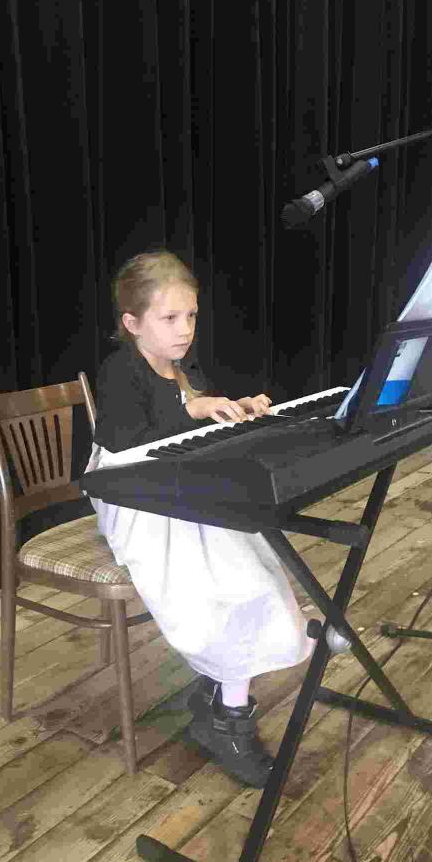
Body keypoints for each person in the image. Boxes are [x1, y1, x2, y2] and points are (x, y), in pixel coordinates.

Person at [84, 250, 315, 786]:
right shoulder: (120, 371)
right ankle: (227, 715)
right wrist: (194, 410)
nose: (184, 329)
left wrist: (235, 410)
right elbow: (127, 443)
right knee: (222, 583)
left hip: (177, 491)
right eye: (169, 318)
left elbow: (192, 430)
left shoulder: (183, 367)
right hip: (135, 501)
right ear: (132, 323)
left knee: (251, 559)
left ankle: (223, 695)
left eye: (190, 316)